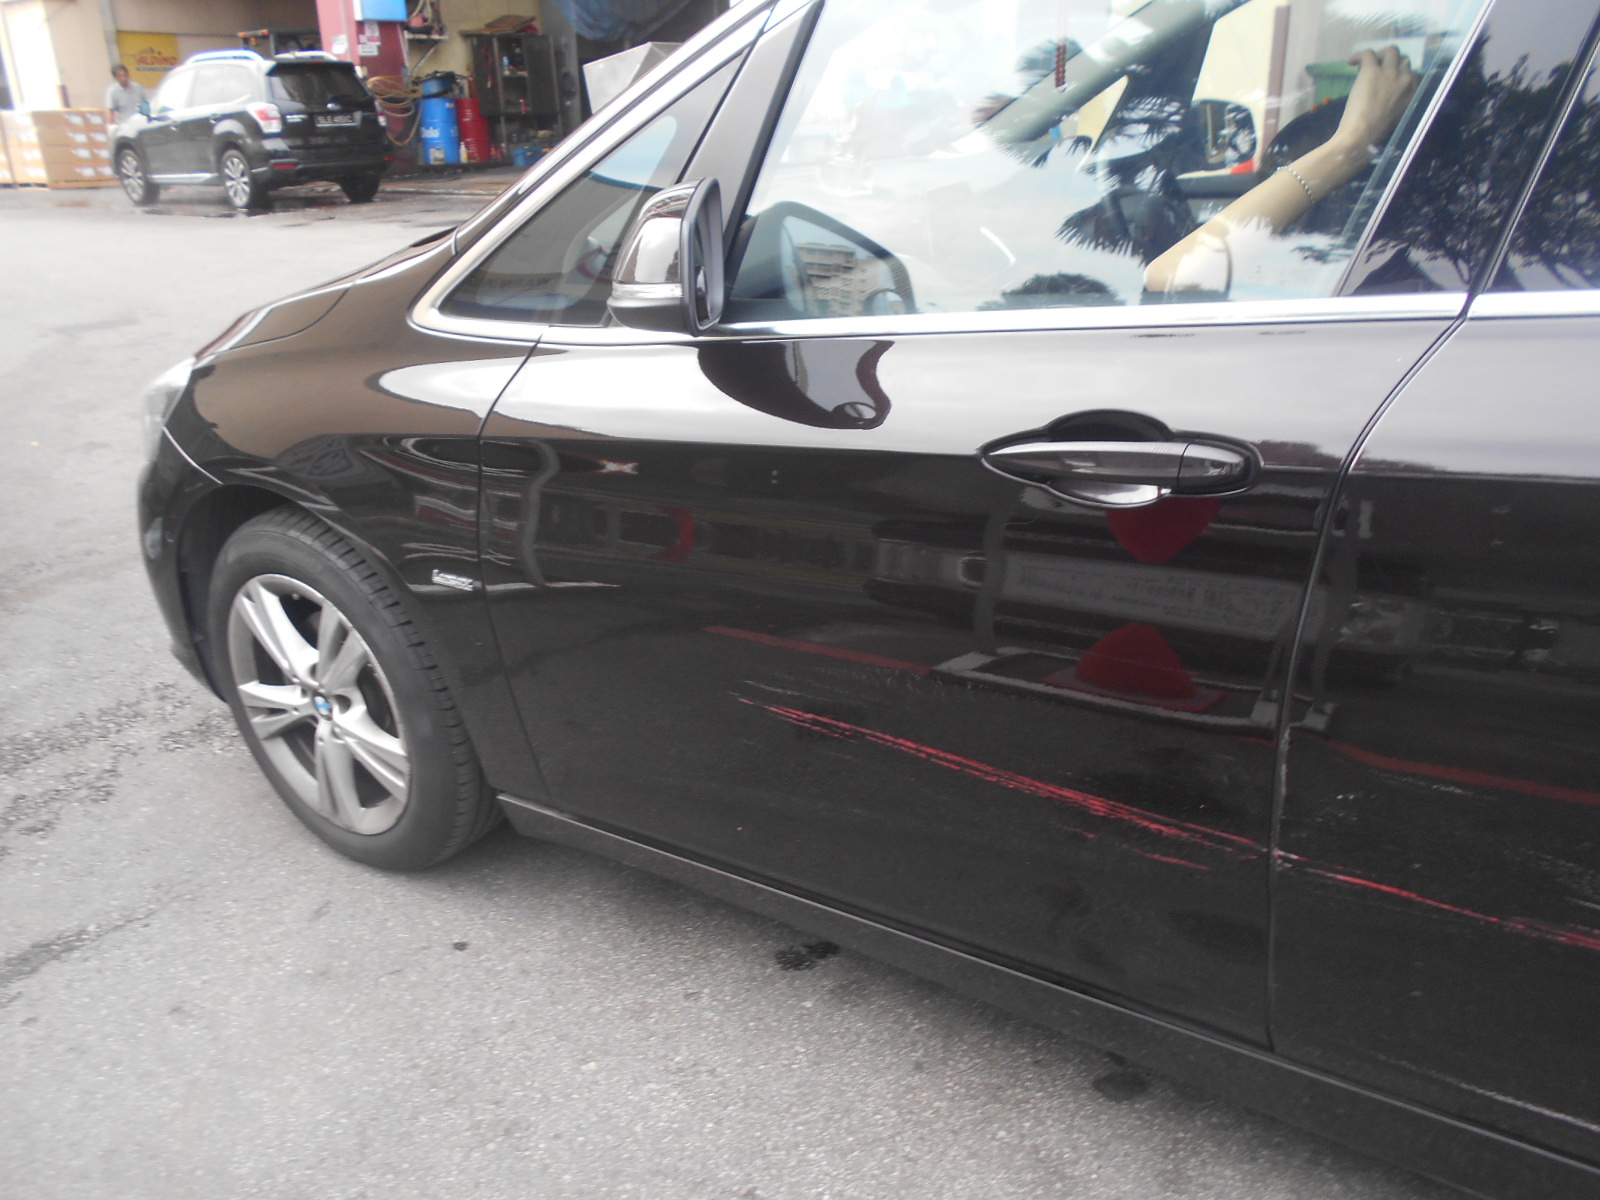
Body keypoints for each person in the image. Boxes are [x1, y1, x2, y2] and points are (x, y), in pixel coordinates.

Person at [1144, 47, 1421, 295]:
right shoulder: (1374, 280)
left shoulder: (1341, 287)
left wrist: (1351, 145)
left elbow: (1173, 280)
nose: (1268, 194)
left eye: (1282, 180)